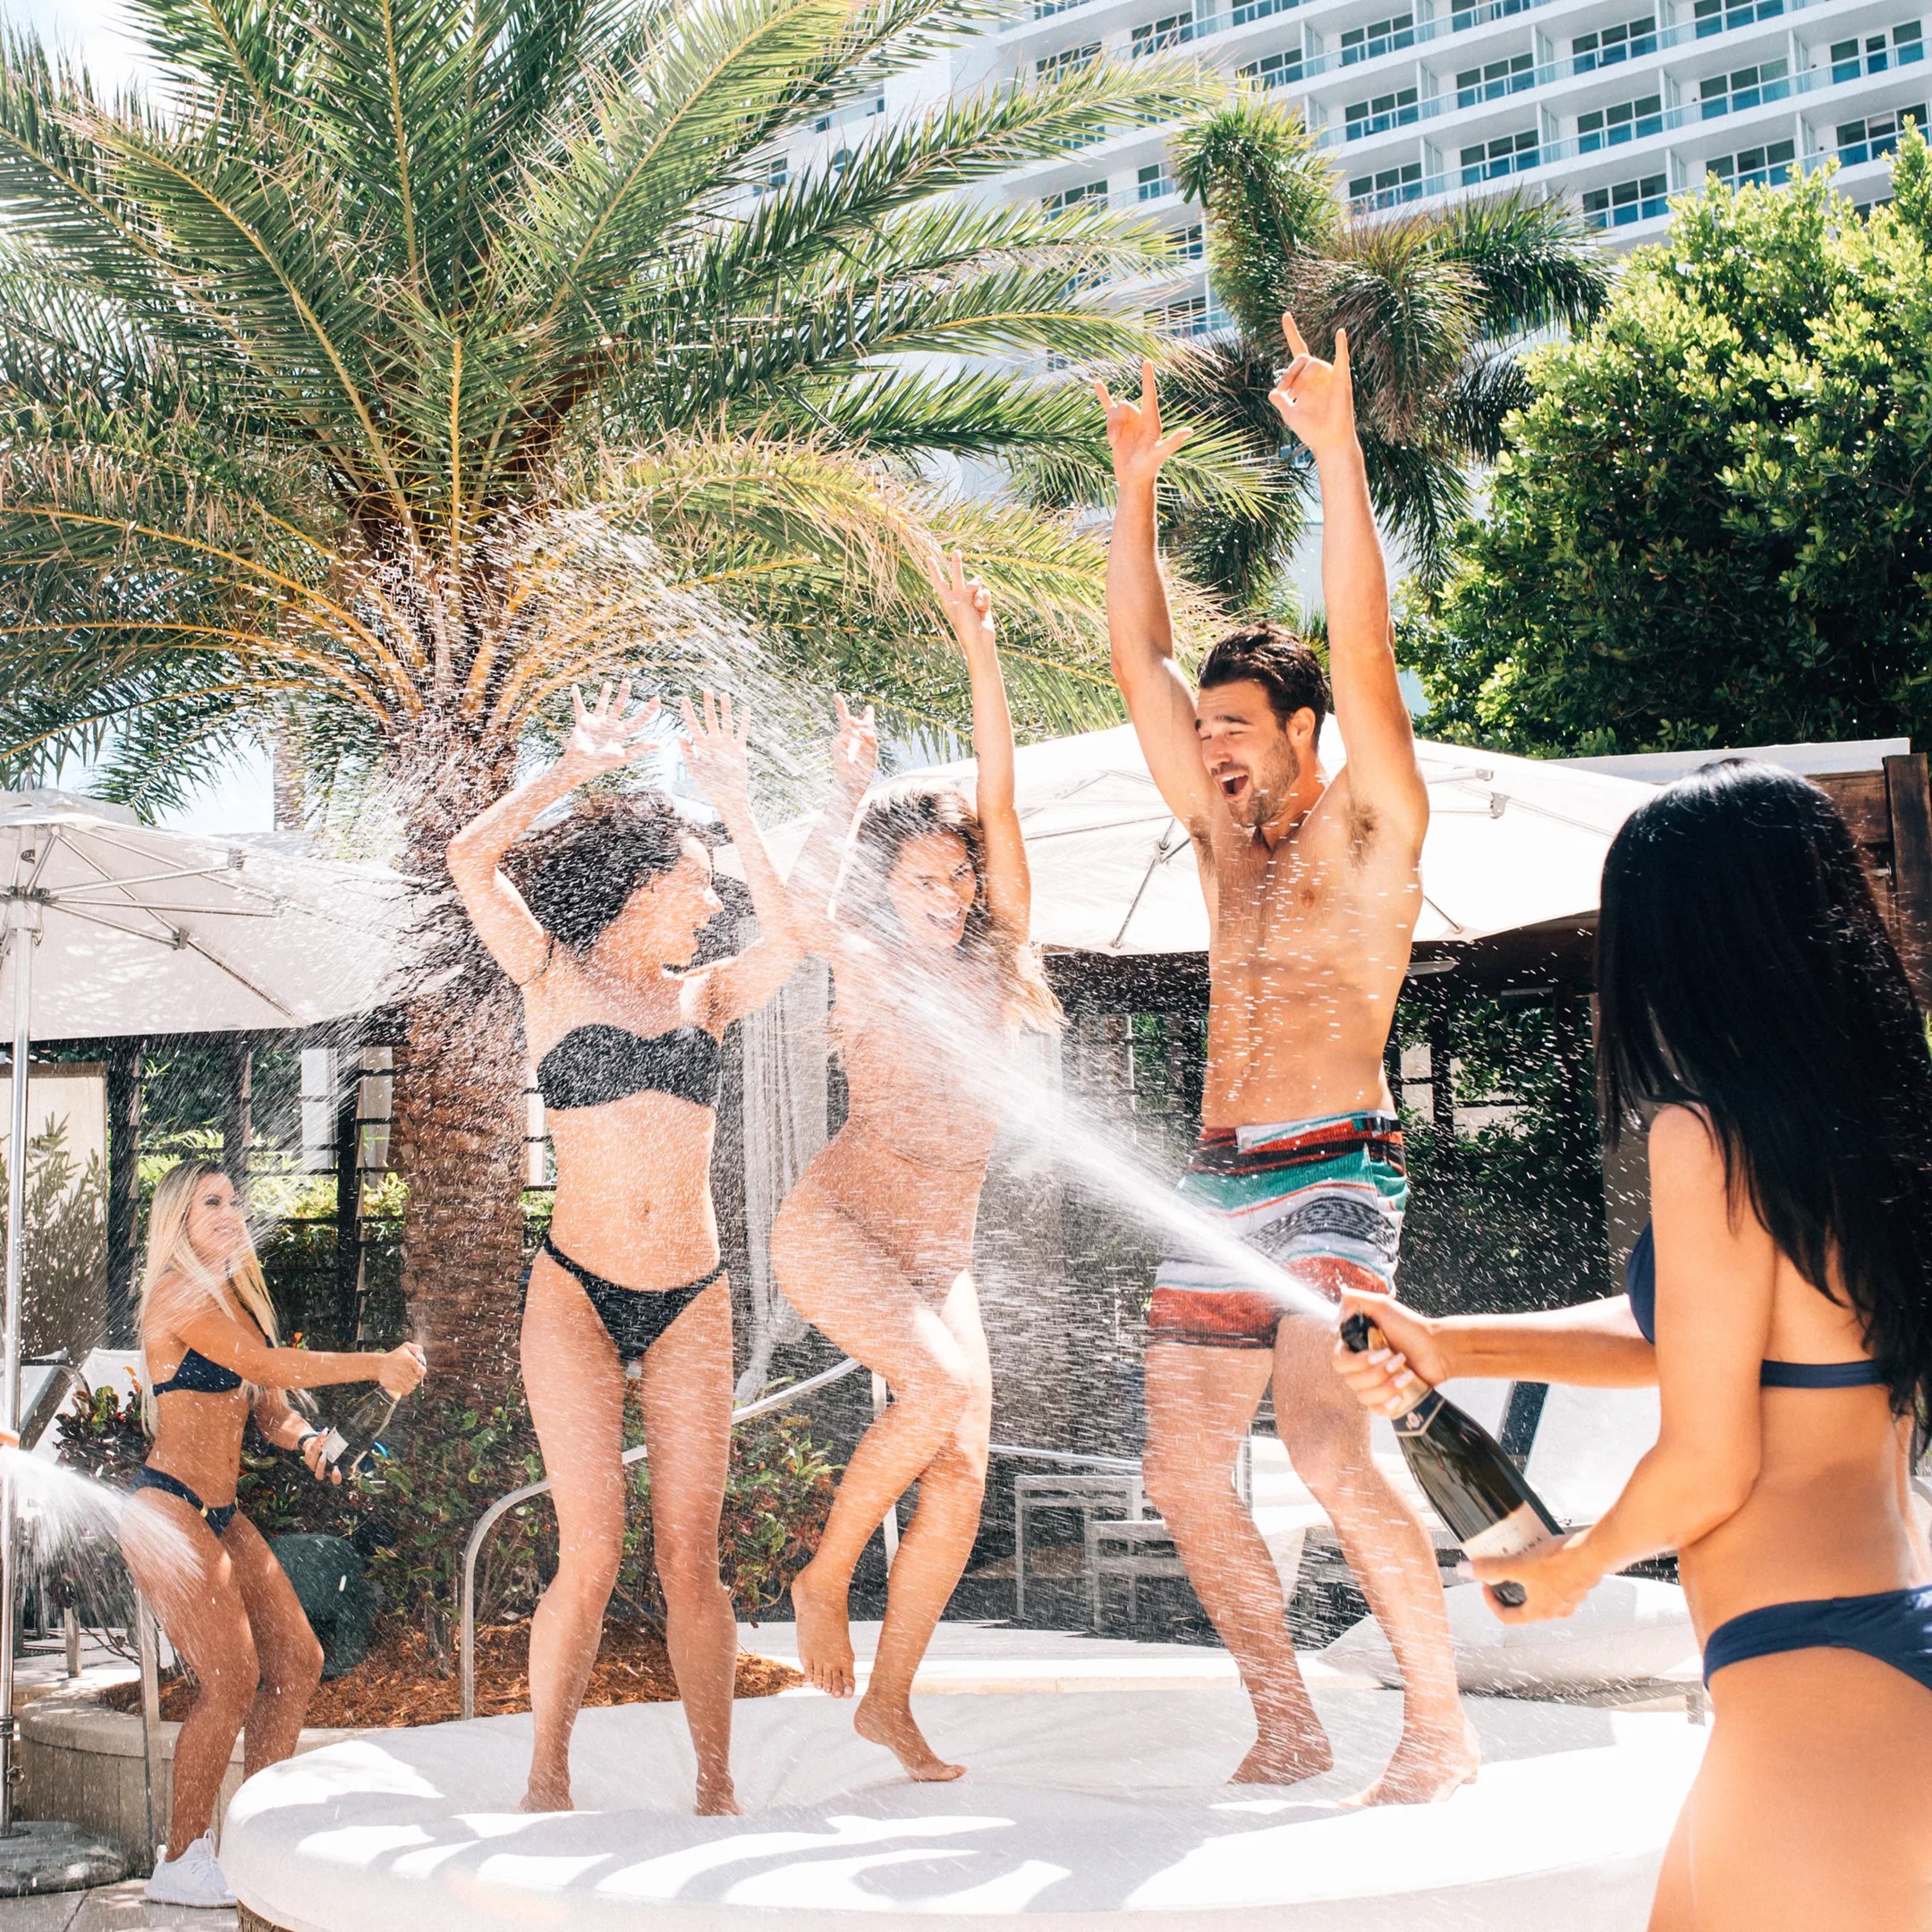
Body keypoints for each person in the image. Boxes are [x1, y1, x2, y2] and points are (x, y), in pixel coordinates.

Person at [1335, 758, 1932, 1931]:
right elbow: (1710, 1340)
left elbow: (1711, 1463)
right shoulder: (1869, 1125)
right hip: (1854, 1651)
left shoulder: (1708, 1135)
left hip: (1810, 1682)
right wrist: (1450, 1345)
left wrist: (1574, 1566)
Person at [1096, 321, 1472, 1801]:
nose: (1211, 748)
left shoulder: (1371, 827)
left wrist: (1337, 454)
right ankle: (1288, 1719)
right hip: (1218, 1180)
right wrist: (1134, 487)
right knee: (1182, 1472)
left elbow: (1367, 651)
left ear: (1305, 730)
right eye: (1205, 731)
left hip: (1335, 1177)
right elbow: (1135, 656)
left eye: (1237, 729)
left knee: (1324, 1446)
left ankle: (1439, 1726)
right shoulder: (1218, 841)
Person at [447, 682, 798, 1818]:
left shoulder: (709, 997)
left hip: (690, 1294)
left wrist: (736, 805)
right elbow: (468, 858)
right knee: (590, 1553)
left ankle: (717, 1786)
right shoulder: (549, 973)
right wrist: (568, 771)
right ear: (644, 886)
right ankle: (546, 1777)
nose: (713, 902)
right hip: (576, 1292)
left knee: (690, 1558)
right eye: (699, 880)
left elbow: (798, 935)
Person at [773, 553, 1061, 1782]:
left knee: (963, 1474)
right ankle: (823, 1577)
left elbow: (1001, 795)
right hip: (838, 1225)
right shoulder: (867, 957)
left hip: (941, 1257)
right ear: (887, 890)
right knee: (938, 1390)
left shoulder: (998, 957)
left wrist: (979, 648)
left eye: (959, 876)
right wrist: (847, 793)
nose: (948, 893)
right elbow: (796, 905)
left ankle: (889, 1703)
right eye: (923, 879)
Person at [120, 1158, 427, 1909]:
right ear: (178, 1221)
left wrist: (310, 1440)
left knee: (296, 1662)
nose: (230, 1213)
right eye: (210, 1203)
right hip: (166, 1509)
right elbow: (263, 1362)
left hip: (220, 1513)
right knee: (230, 1680)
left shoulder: (237, 1295)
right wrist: (375, 1365)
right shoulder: (176, 1292)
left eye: (233, 1200)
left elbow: (267, 1406)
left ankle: (253, 1844)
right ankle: (180, 1860)